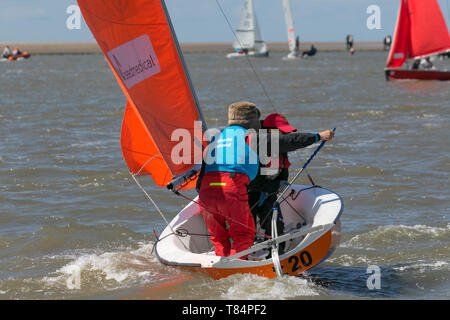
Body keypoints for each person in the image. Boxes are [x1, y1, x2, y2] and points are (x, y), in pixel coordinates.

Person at [247, 114, 335, 242]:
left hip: (268, 194)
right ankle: (244, 254)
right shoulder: (259, 143)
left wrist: (281, 184)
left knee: (276, 226)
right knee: (247, 229)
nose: (285, 136)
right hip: (248, 195)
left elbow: (281, 169)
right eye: (283, 132)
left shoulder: (279, 148)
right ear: (271, 131)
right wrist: (318, 136)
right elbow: (253, 182)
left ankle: (277, 252)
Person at [196, 101, 261, 258]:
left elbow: (203, 168)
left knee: (218, 237)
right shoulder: (250, 135)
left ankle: (222, 268)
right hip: (231, 188)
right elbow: (285, 143)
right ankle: (235, 269)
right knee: (243, 234)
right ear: (251, 121)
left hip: (206, 191)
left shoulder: (216, 138)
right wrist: (316, 137)